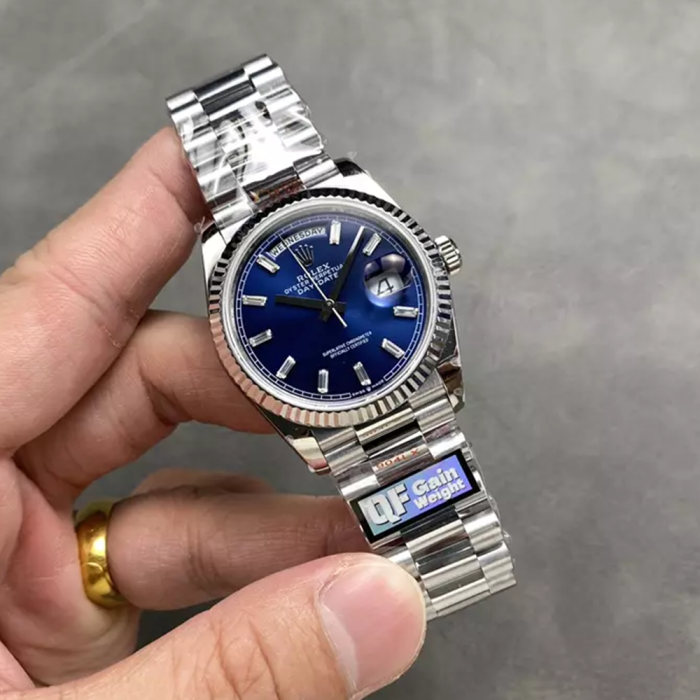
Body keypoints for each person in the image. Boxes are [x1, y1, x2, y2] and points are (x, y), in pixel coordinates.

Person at [0, 130, 426, 699]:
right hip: (336, 393)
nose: (330, 306)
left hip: (395, 371)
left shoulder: (350, 201)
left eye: (335, 298)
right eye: (319, 304)